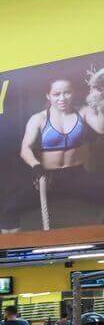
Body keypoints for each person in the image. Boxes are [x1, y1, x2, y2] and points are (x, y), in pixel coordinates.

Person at [10, 76, 103, 232]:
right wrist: (36, 166)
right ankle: (12, 246)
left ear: (73, 92)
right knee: (11, 209)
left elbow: (101, 128)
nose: (62, 98)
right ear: (48, 95)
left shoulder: (83, 112)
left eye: (67, 93)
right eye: (56, 94)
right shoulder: (38, 118)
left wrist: (100, 105)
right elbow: (25, 149)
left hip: (77, 175)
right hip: (49, 178)